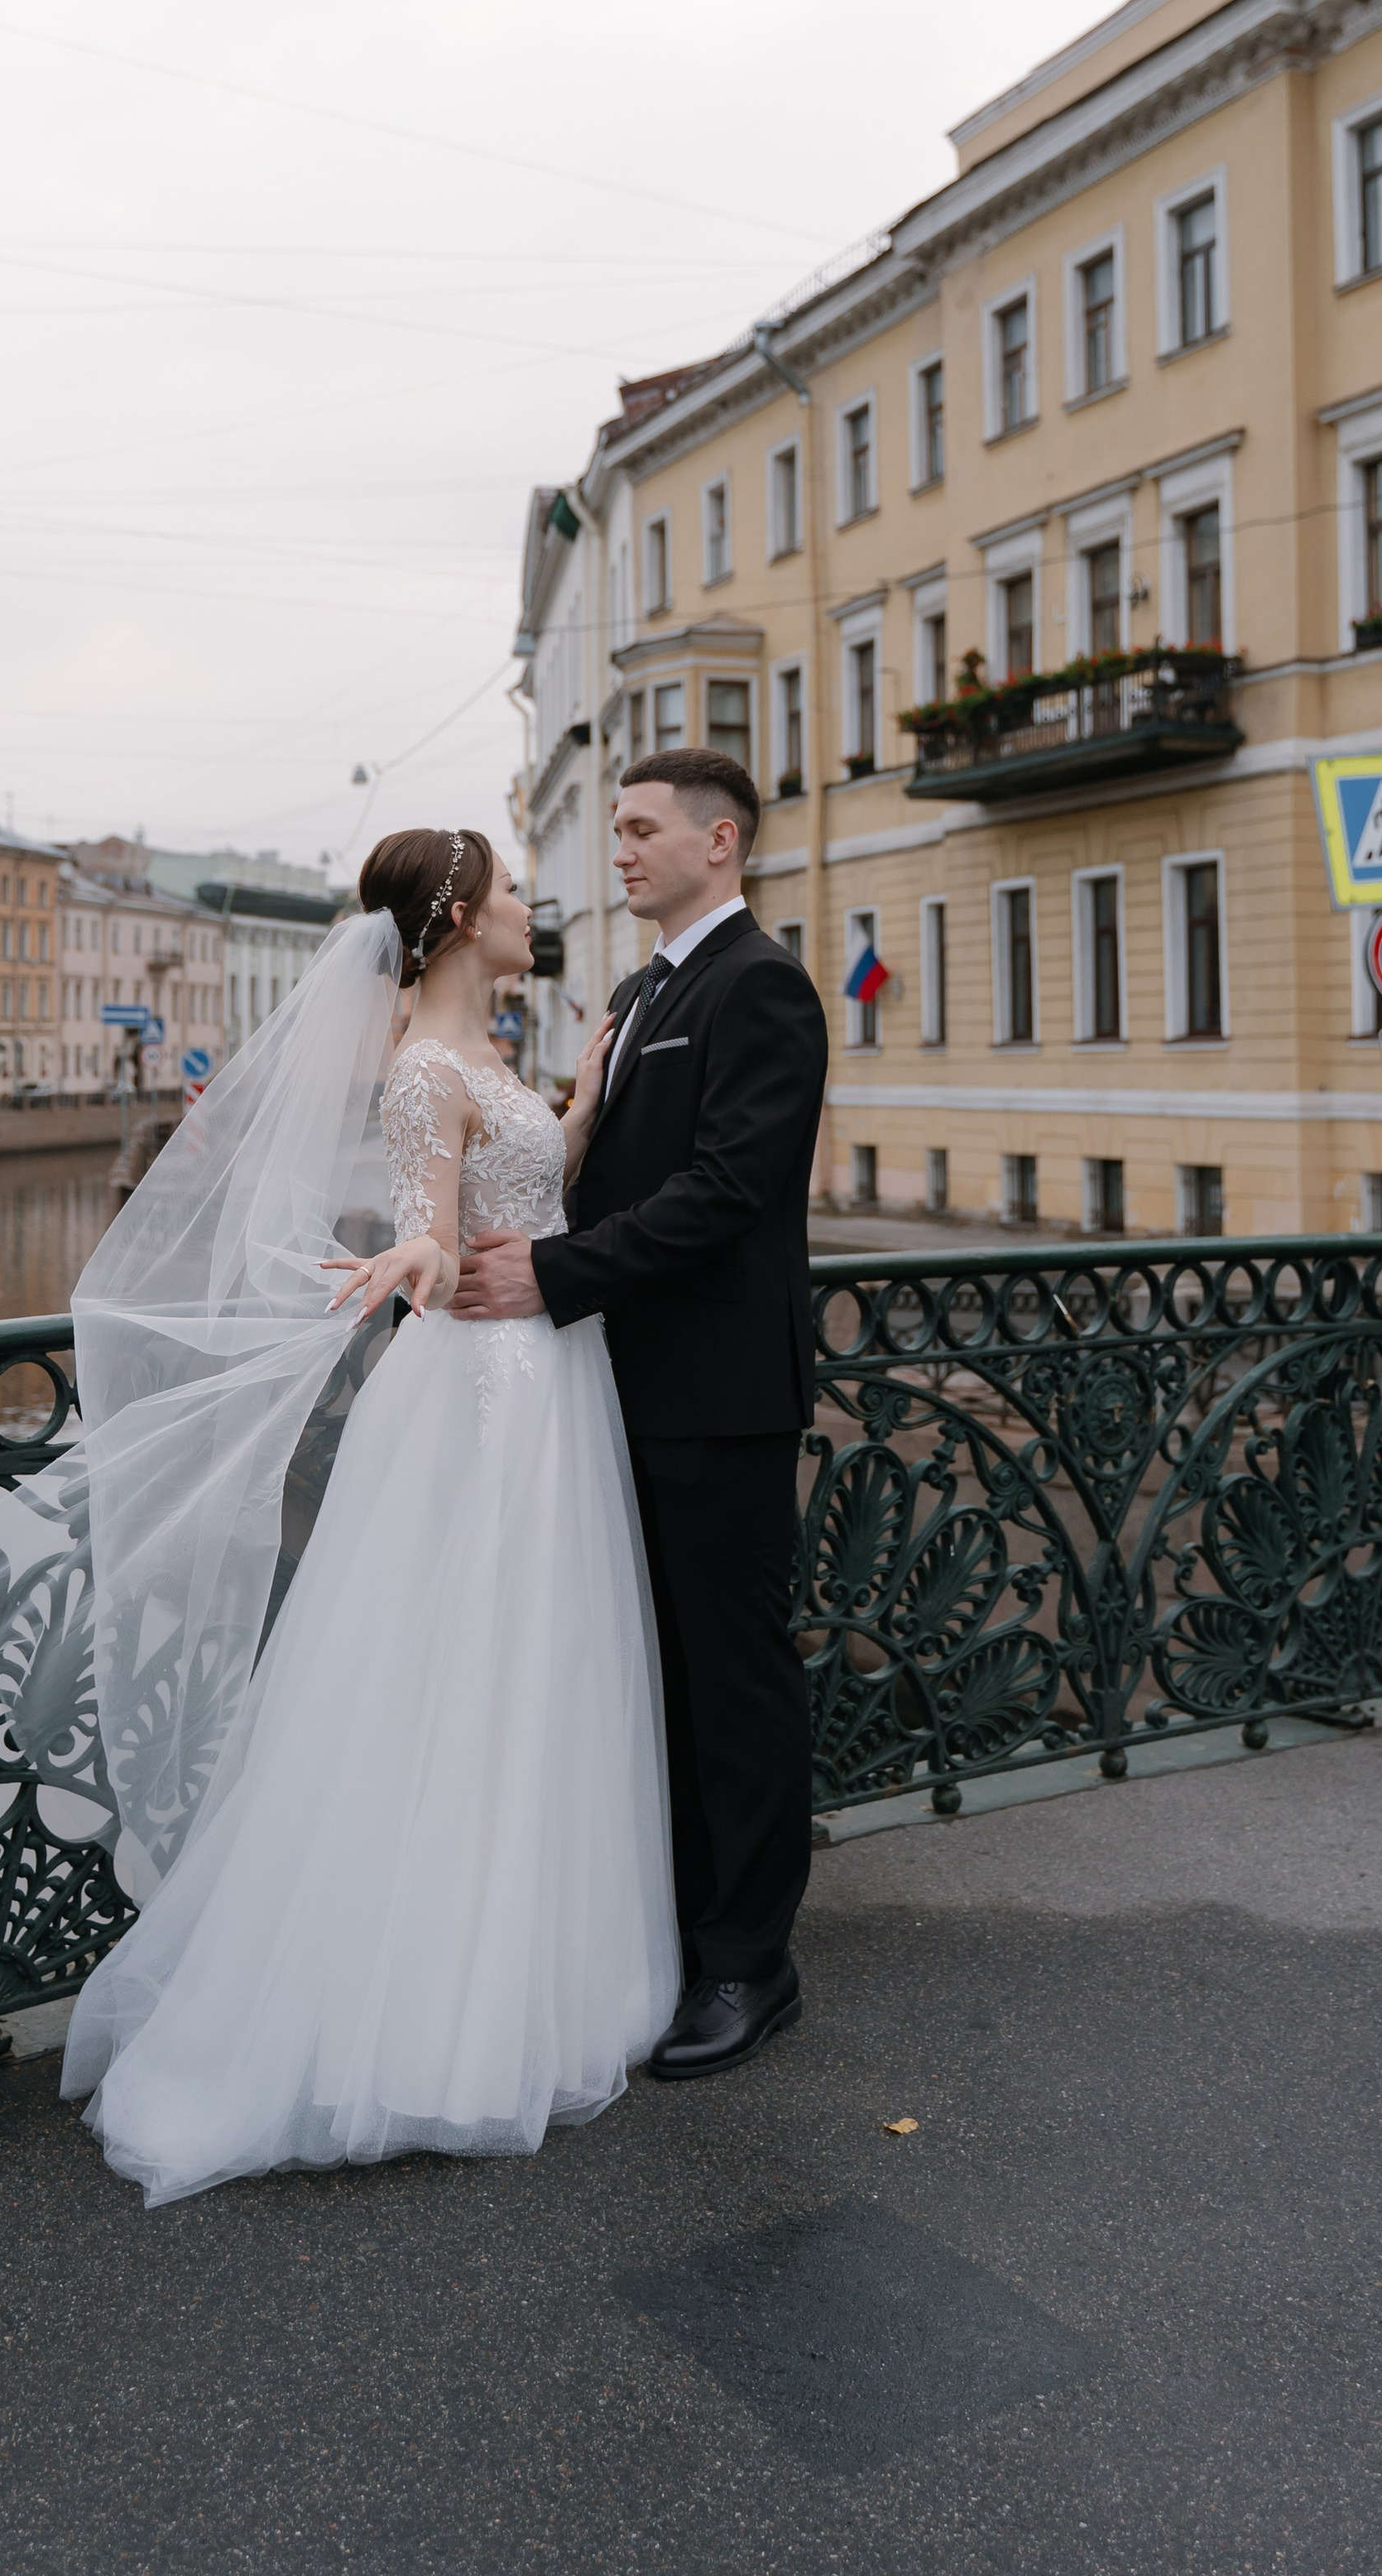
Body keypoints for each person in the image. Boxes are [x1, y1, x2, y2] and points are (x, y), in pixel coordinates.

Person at [0, 829, 676, 2204]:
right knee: (461, 1676)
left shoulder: (483, 1059)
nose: (537, 909)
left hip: (541, 1384)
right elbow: (432, 1228)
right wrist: (416, 1250)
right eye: (518, 890)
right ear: (465, 915)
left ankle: (522, 1970)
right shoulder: (419, 1068)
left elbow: (513, 1176)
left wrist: (577, 1113)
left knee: (529, 1668)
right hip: (484, 1392)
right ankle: (439, 2015)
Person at [453, 747, 828, 2080]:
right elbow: (604, 1169)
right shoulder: (640, 987)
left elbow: (730, 1190)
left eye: (640, 829)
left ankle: (751, 1963)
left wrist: (554, 1275)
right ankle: (678, 1929)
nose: (616, 851)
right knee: (656, 1672)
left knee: (733, 1681)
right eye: (612, 829)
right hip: (627, 1382)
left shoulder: (762, 984)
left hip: (721, 1393)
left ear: (719, 843)